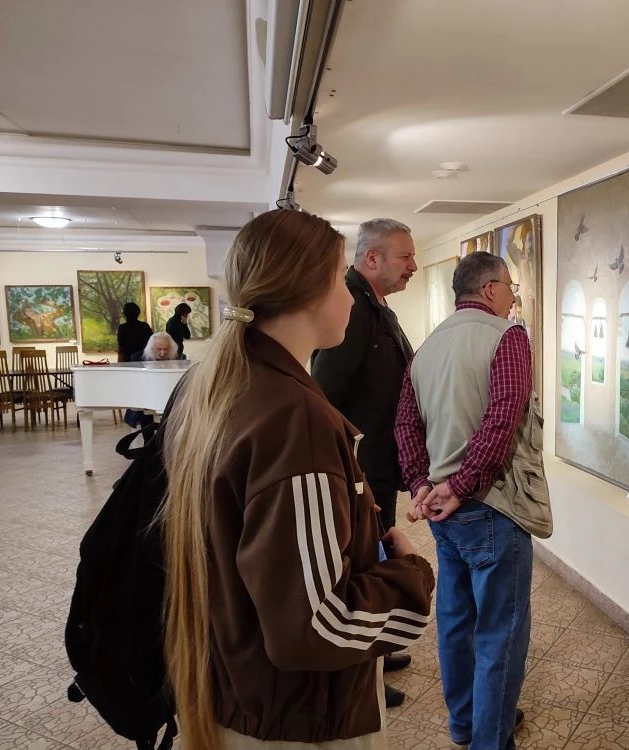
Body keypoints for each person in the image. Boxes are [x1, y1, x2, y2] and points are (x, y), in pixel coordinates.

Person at [161, 209, 435, 750]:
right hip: (298, 719)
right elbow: (316, 625)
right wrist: (411, 577)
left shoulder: (225, 384)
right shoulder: (295, 419)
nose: (350, 297)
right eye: (339, 280)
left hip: (240, 690)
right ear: (307, 291)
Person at [396, 252, 533, 750]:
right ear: (491, 288)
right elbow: (502, 418)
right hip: (490, 506)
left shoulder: (427, 346)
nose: (514, 297)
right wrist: (460, 486)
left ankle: (465, 722)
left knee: (456, 620)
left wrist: (421, 485)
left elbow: (405, 423)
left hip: (443, 510)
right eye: (511, 286)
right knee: (500, 630)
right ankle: (489, 740)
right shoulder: (507, 336)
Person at [310, 217, 418, 707]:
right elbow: (326, 396)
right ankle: (364, 670)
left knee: (374, 561)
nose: (413, 266)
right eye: (405, 256)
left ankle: (378, 652)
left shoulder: (377, 308)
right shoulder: (353, 309)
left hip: (377, 465)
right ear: (372, 259)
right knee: (362, 568)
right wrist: (347, 471)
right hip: (361, 469)